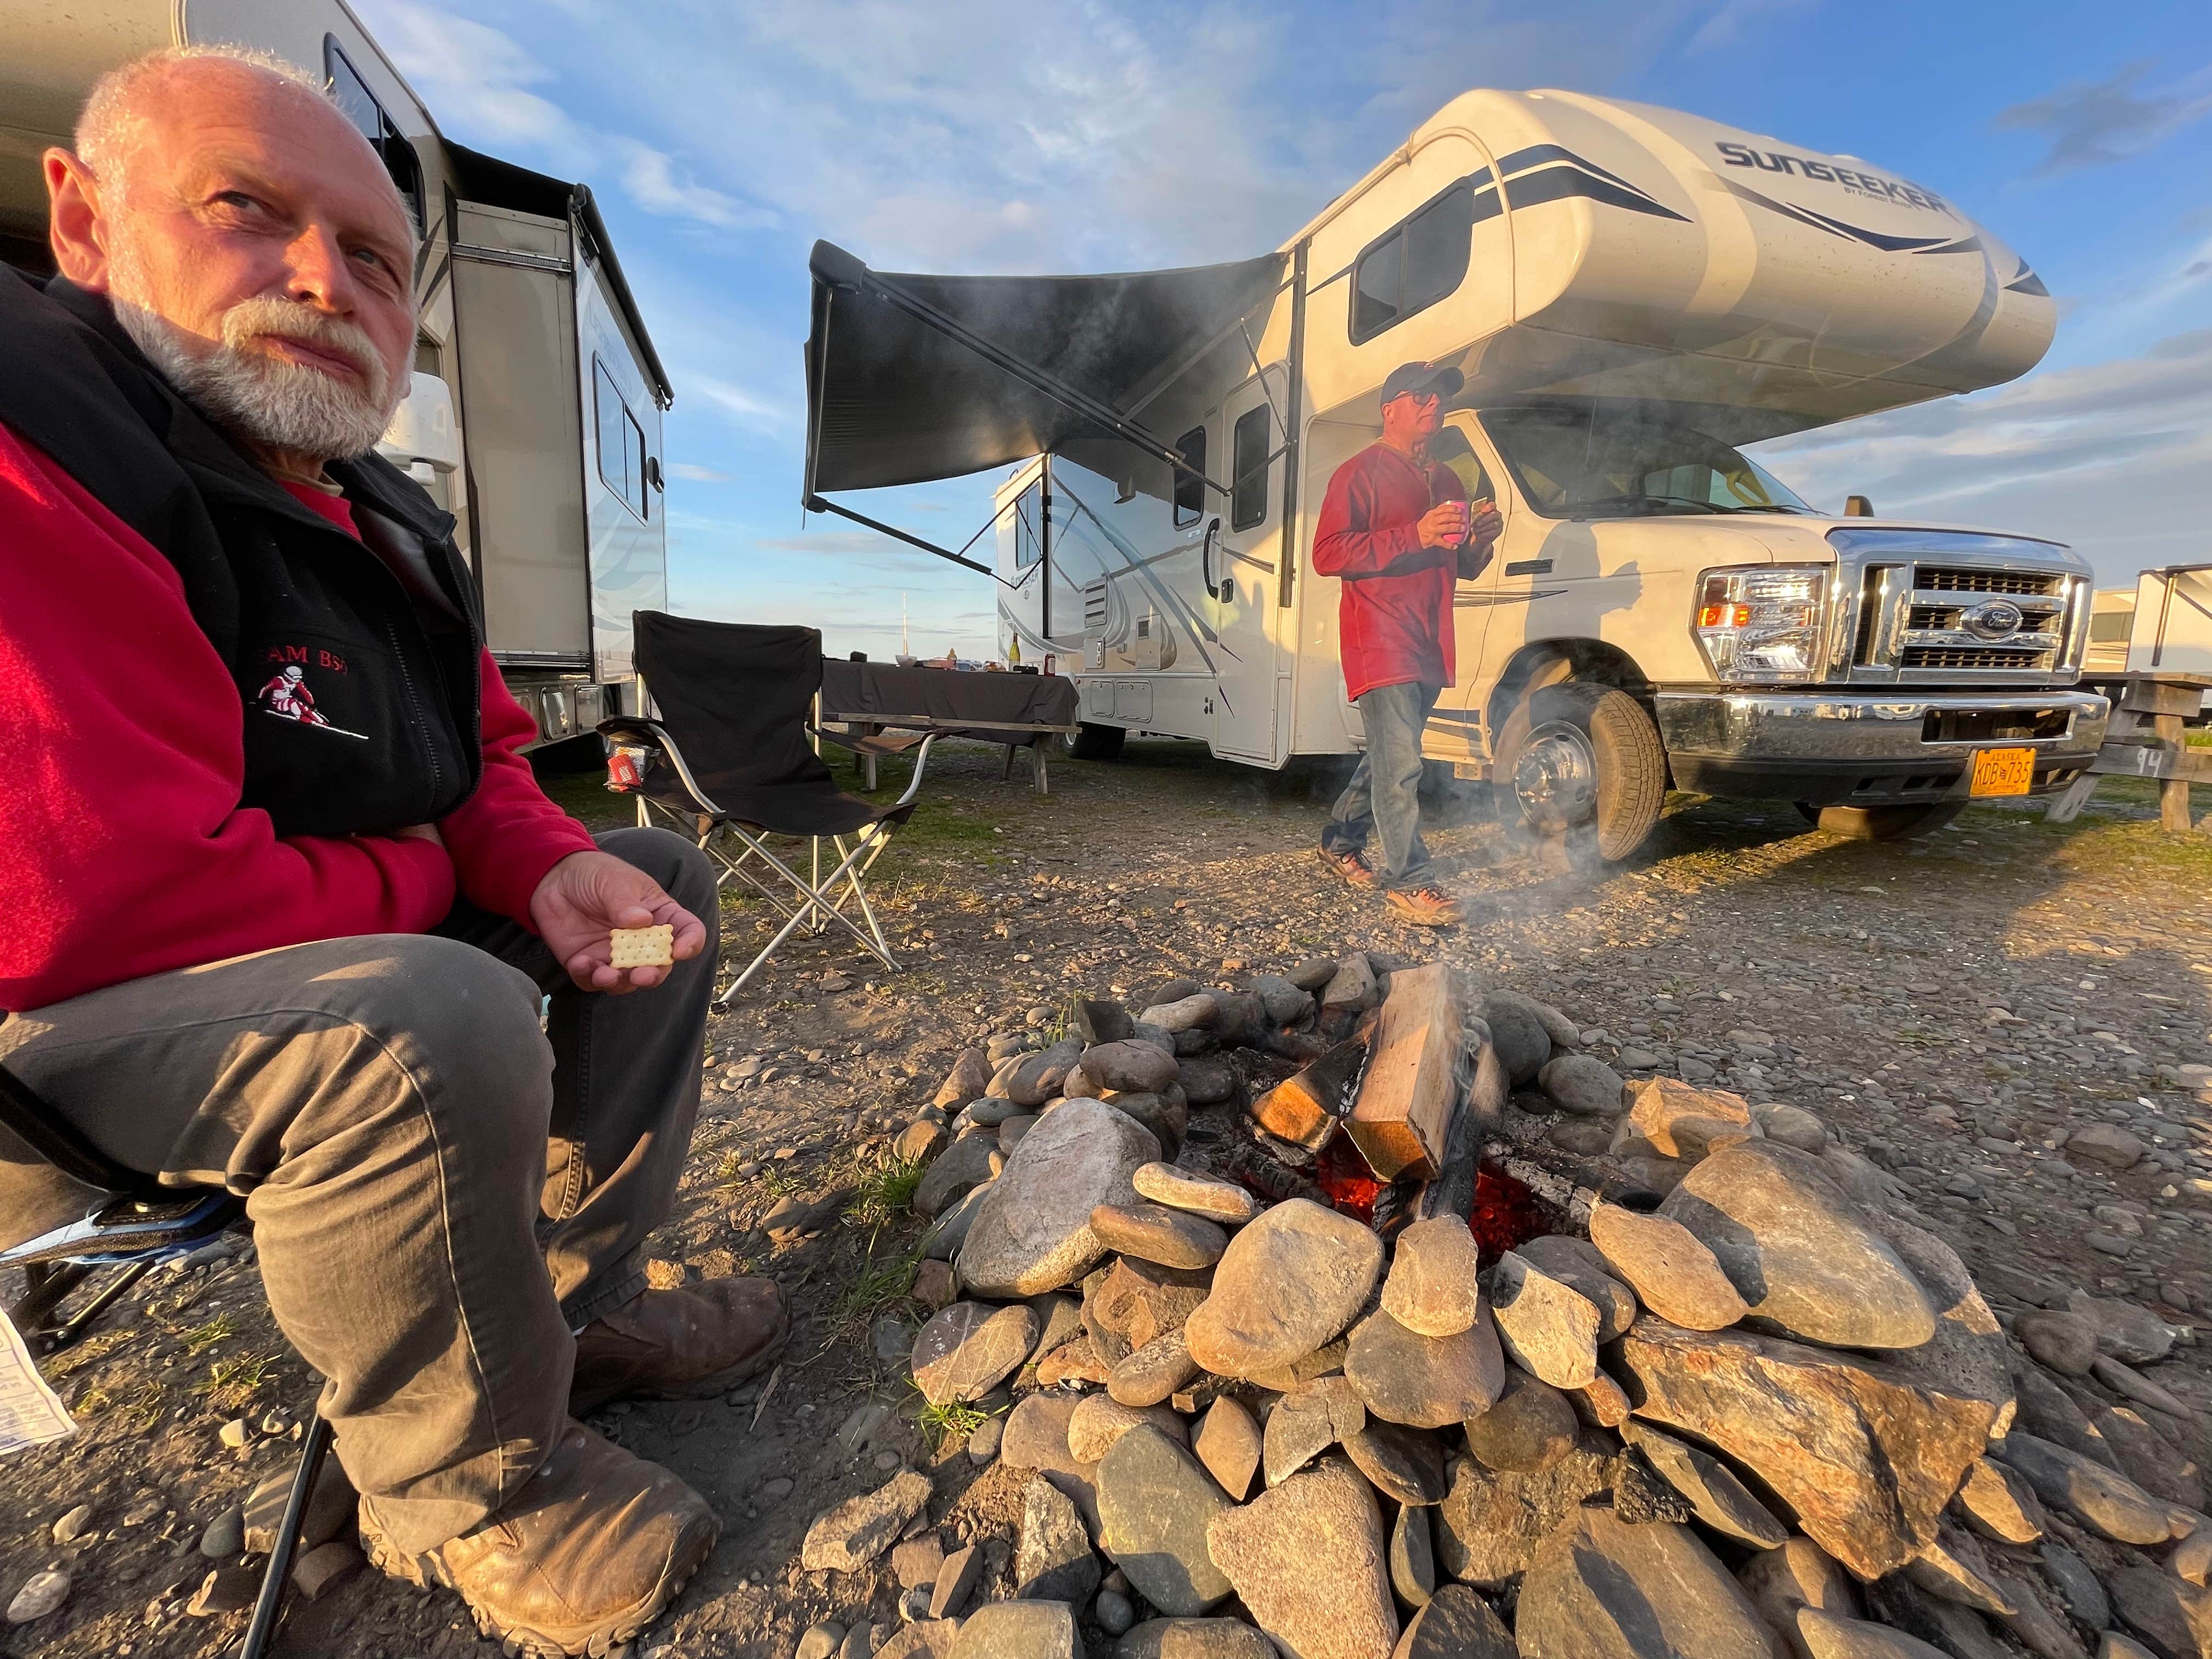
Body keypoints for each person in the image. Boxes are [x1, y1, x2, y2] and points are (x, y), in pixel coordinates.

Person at [0, 47, 786, 1655]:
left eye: (372, 254)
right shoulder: (39, 449)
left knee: (660, 888)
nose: (323, 278)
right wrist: (447, 889)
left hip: (282, 956)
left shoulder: (378, 516)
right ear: (82, 221)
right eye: (246, 210)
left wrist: (546, 863)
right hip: (49, 1043)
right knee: (431, 1018)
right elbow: (103, 904)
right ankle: (473, 1494)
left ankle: (573, 1314)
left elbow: (481, 759)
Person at [1311, 361, 1503, 926]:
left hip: (1430, 639)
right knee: (1402, 767)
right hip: (1380, 635)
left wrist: (1479, 546)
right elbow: (1328, 554)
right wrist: (1413, 533)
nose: (1433, 405)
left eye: (1439, 397)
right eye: (1420, 396)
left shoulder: (1448, 480)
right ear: (1388, 408)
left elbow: (1459, 565)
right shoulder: (1359, 472)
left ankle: (1338, 840)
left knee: (1389, 758)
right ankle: (1412, 883)